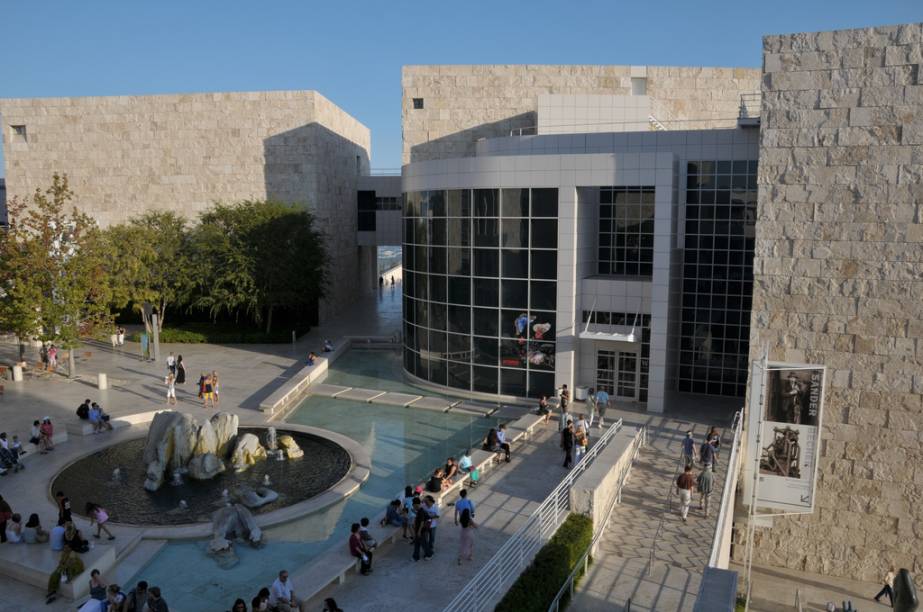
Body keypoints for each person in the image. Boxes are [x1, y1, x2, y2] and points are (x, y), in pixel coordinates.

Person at [411, 497, 431, 561]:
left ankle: (428, 555)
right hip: (420, 530)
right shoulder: (420, 511)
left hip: (422, 531)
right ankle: (416, 557)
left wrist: (419, 532)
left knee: (423, 544)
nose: (413, 506)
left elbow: (422, 522)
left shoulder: (421, 511)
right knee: (418, 544)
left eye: (413, 505)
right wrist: (414, 512)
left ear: (416, 505)